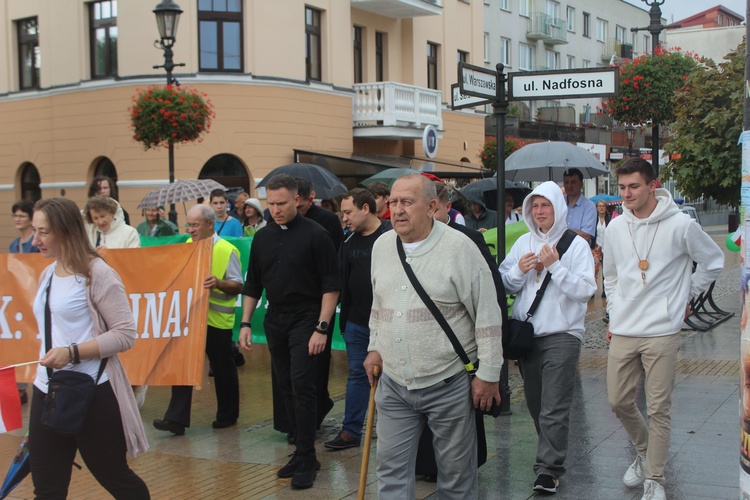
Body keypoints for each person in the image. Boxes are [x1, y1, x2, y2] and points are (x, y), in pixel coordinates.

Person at [364, 174, 503, 499]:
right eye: (394, 202)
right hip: (395, 384)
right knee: (391, 473)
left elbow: (488, 314)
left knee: (456, 478)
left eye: (407, 202)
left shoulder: (460, 248)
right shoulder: (382, 246)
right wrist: (374, 348)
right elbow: (378, 304)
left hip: (447, 382)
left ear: (432, 206)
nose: (397, 210)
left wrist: (489, 375)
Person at [604, 159, 724, 500]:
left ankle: (655, 478)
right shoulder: (614, 228)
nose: (626, 194)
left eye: (634, 186)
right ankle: (644, 453)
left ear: (652, 185)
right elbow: (610, 276)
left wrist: (687, 294)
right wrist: (612, 312)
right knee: (617, 400)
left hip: (662, 330)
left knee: (659, 408)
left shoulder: (680, 225)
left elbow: (714, 260)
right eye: (622, 187)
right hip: (625, 328)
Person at [28, 197, 149, 498]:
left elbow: (125, 334)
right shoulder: (48, 273)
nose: (35, 240)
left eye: (43, 232)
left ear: (66, 231)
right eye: (35, 230)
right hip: (47, 390)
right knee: (46, 487)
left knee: (115, 478)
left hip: (91, 390)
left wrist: (72, 352)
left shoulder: (98, 273)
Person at [239, 174, 340, 490]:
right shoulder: (263, 237)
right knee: (285, 387)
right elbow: (253, 283)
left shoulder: (317, 235)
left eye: (281, 203)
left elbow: (331, 285)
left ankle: (308, 457)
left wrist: (322, 328)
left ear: (297, 199)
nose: (275, 209)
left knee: (303, 385)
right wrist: (244, 323)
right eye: (270, 204)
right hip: (276, 319)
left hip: (307, 319)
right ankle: (300, 452)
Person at [498, 181, 595, 494]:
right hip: (528, 336)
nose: (539, 212)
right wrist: (519, 272)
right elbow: (505, 284)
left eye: (545, 206)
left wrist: (555, 267)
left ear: (558, 207)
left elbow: (584, 292)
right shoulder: (523, 242)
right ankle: (551, 454)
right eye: (534, 206)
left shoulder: (576, 245)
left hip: (563, 335)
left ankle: (548, 470)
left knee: (554, 406)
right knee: (536, 404)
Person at [153, 204, 243, 434]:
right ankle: (176, 419)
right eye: (189, 225)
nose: (190, 230)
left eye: (195, 225)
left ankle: (227, 415)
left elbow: (238, 285)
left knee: (222, 368)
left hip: (215, 321)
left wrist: (219, 283)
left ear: (210, 224)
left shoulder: (226, 249)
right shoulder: (185, 246)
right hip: (189, 318)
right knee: (182, 365)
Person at [324, 188, 387, 451]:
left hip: (387, 322)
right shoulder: (348, 241)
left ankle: (391, 430)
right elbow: (339, 279)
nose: (344, 218)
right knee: (357, 376)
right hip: (356, 323)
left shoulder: (391, 236)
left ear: (365, 208)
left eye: (348, 212)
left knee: (392, 378)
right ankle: (351, 430)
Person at [295, 178, 344, 428]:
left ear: (307, 198)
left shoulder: (326, 220)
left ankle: (317, 407)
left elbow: (333, 262)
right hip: (296, 300)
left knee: (317, 361)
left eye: (301, 206)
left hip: (321, 299)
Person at [10, 199, 39, 405]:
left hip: (33, 300)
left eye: (21, 215)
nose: (17, 219)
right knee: (18, 345)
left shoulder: (35, 243)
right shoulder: (14, 244)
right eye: (16, 215)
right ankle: (19, 387)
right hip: (18, 301)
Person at [562, 168, 596, 244]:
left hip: (579, 252)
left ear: (581, 184)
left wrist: (562, 231)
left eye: (573, 182)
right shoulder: (559, 203)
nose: (569, 186)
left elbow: (586, 236)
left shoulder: (589, 206)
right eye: (566, 182)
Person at [592, 200, 612, 297]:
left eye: (603, 206)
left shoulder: (610, 219)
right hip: (596, 247)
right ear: (596, 208)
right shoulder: (593, 219)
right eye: (599, 206)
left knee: (606, 269)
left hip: (607, 247)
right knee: (594, 269)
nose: (601, 208)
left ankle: (605, 290)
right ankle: (592, 290)